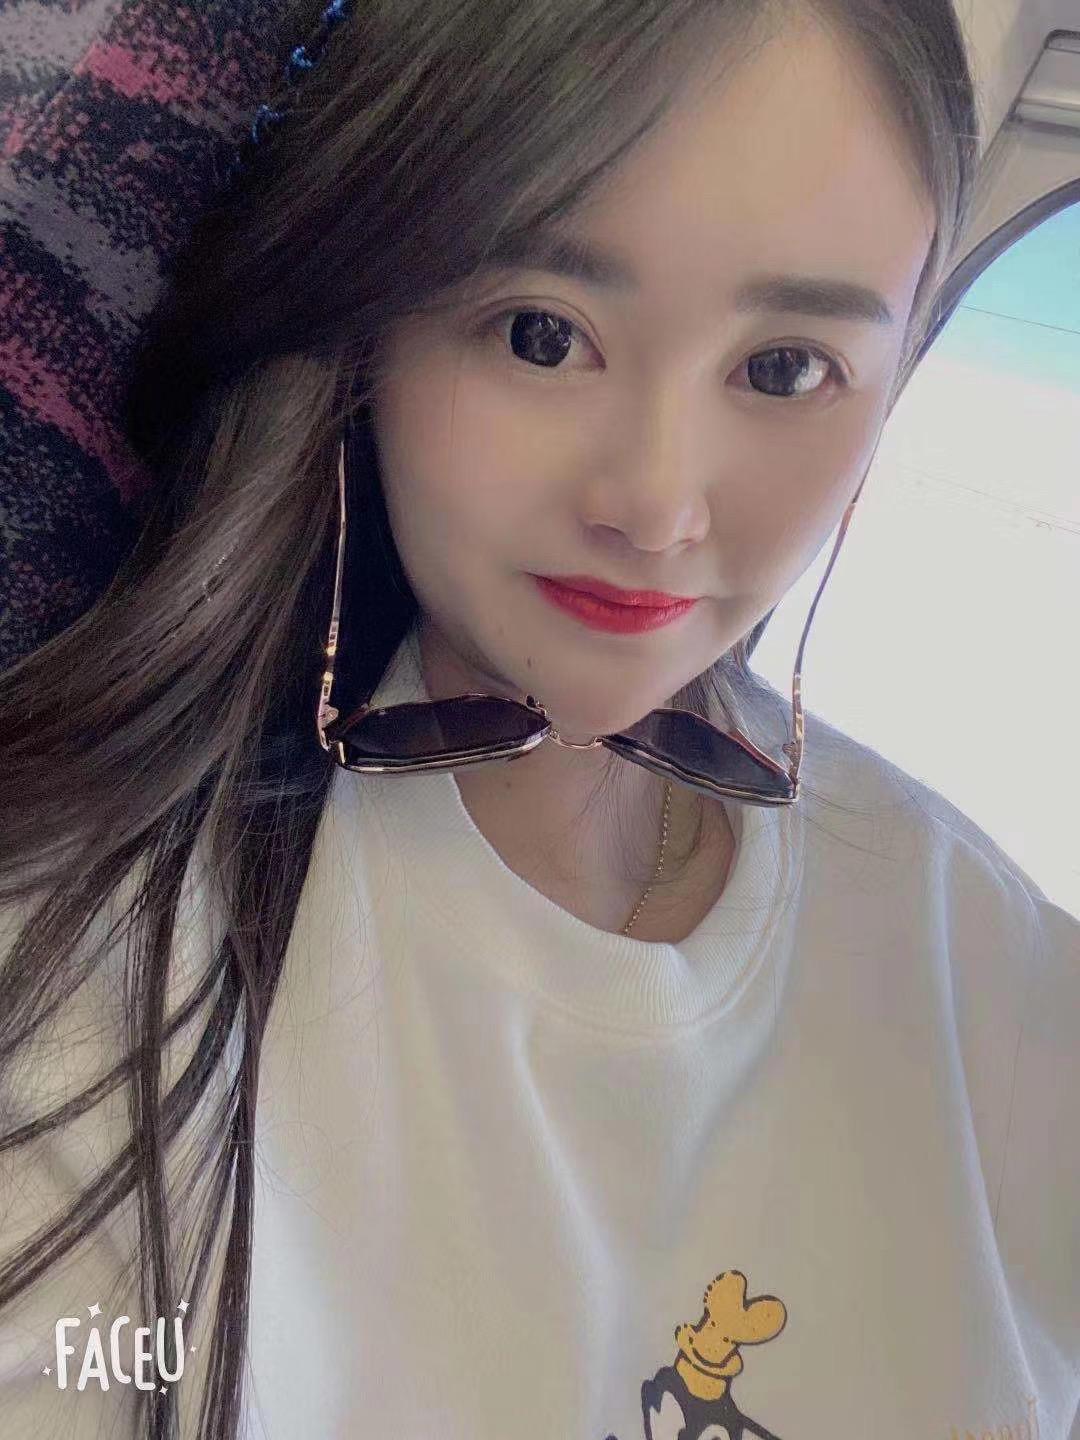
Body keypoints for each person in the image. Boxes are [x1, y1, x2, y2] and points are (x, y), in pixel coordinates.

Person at [0, 0, 1077, 1437]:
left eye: (784, 368)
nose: (657, 503)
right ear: (370, 323)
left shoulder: (987, 956)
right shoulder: (97, 1009)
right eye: (540, 334)